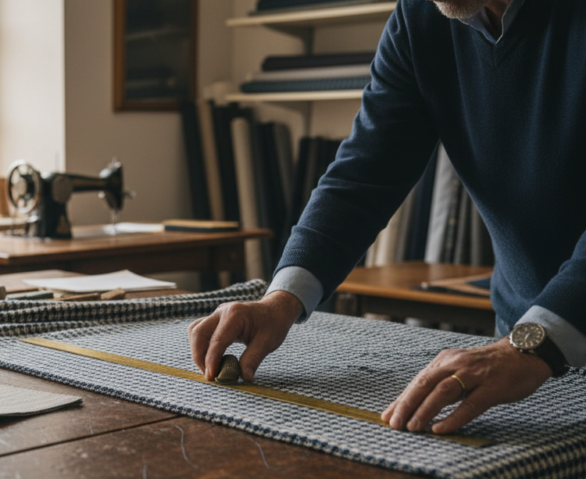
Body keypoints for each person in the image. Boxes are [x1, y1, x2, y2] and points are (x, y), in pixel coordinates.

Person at [189, 0, 585, 435]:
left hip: (531, 344)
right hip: (520, 343)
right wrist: (279, 302)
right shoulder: (419, 18)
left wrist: (536, 342)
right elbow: (365, 173)